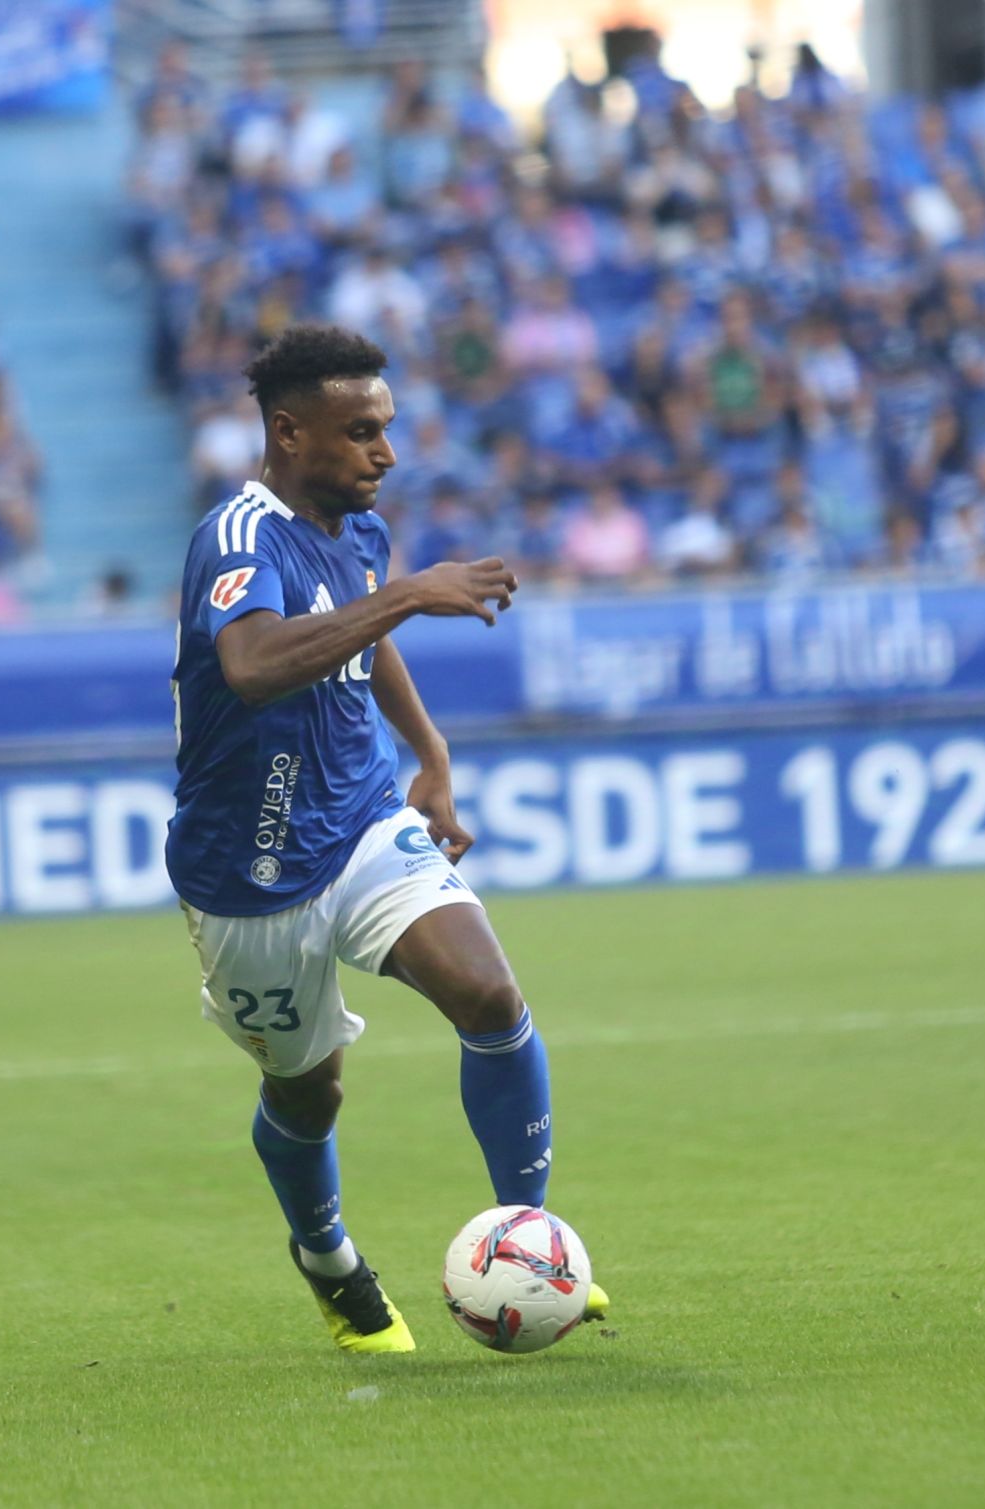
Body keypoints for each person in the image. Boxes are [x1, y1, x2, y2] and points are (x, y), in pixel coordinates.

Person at [166, 325, 607, 1353]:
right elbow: (257, 664)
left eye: (388, 430)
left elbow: (366, 634)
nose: (386, 453)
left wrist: (432, 755)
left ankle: (532, 1242)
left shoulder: (358, 527)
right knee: (306, 1090)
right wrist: (410, 593)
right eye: (361, 432)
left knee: (491, 996)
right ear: (288, 432)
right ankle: (325, 1258)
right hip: (249, 872)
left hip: (362, 818)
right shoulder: (237, 537)